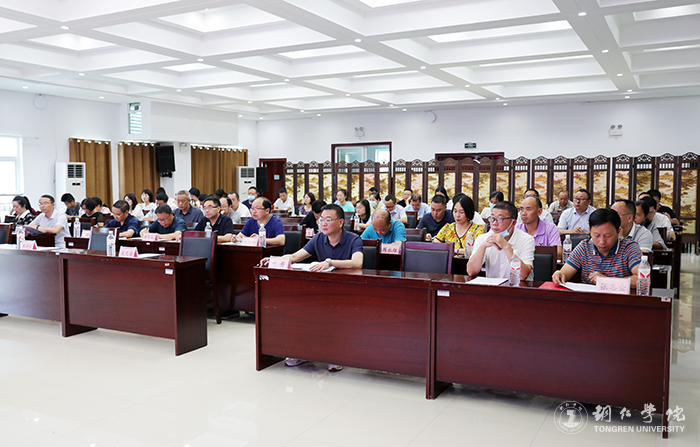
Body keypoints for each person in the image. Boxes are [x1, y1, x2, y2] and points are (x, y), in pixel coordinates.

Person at [265, 204, 362, 372]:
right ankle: (303, 352)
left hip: (346, 291)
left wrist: (330, 262)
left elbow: (357, 262)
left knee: (327, 311)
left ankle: (333, 354)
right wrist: (274, 259)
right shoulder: (318, 238)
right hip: (323, 290)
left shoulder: (354, 239)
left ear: (340, 222)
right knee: (299, 308)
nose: (323, 223)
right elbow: (295, 256)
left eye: (328, 220)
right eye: (321, 220)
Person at [552, 208, 642, 286]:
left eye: (608, 236)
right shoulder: (584, 247)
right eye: (596, 235)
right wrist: (559, 274)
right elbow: (565, 273)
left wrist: (606, 280)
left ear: (618, 231)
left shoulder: (629, 248)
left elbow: (642, 280)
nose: (602, 242)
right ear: (590, 231)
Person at [468, 201, 535, 281]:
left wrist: (506, 246)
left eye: (500, 219)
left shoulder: (527, 240)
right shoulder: (482, 239)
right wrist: (483, 247)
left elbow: (522, 276)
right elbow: (471, 272)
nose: (494, 223)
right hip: (493, 287)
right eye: (492, 218)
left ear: (513, 223)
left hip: (518, 287)